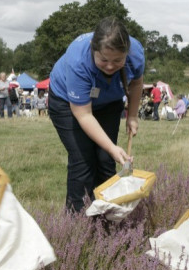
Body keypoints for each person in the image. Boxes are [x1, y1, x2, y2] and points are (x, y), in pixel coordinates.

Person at [48, 17, 145, 212]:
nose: (110, 66)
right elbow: (83, 115)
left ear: (127, 53)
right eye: (103, 60)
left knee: (105, 160)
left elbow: (136, 83)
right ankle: (77, 220)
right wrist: (111, 147)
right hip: (67, 102)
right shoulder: (78, 60)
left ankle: (107, 214)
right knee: (83, 160)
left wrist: (132, 115)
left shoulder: (136, 53)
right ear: (93, 49)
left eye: (118, 60)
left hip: (108, 102)